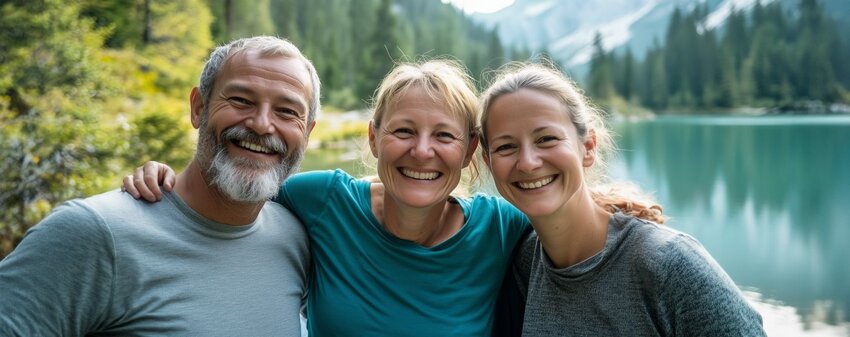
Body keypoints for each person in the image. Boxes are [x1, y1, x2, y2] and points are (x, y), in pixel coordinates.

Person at [122, 60, 531, 336]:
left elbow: (571, 224)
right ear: (373, 138)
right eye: (403, 131)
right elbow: (231, 191)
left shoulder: (500, 227)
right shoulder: (323, 201)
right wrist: (168, 179)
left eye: (444, 136)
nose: (422, 151)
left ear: (470, 149)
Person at [0, 36, 320, 336]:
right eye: (240, 100)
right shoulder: (94, 233)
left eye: (287, 112)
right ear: (198, 107)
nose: (262, 124)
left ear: (307, 132)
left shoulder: (296, 237)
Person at [478, 63, 766, 336]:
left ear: (588, 147)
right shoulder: (525, 263)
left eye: (547, 139)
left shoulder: (670, 266)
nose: (527, 162)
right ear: (488, 163)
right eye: (506, 146)